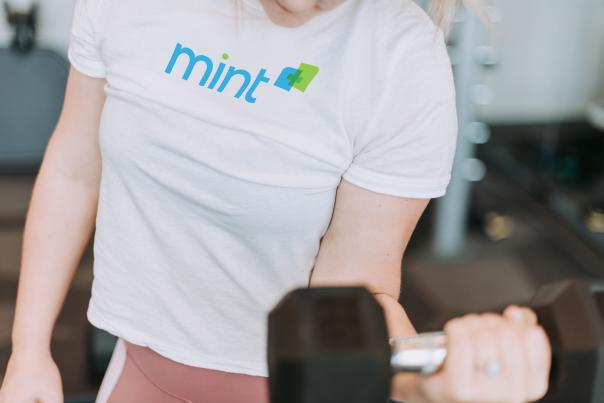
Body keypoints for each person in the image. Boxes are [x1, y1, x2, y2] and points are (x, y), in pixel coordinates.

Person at [0, 0, 551, 402]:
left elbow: (356, 290)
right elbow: (74, 169)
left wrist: (424, 385)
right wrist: (28, 348)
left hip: (295, 385)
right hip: (140, 369)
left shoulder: (401, 60)